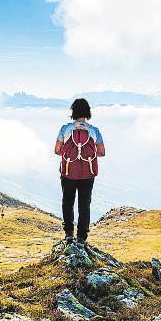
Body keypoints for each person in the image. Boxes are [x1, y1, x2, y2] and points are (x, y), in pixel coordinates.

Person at [55, 98, 105, 246]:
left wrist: (71, 154)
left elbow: (57, 150)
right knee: (84, 204)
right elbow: (101, 152)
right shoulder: (94, 131)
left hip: (68, 172)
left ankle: (69, 234)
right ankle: (82, 237)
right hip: (87, 174)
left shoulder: (65, 129)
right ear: (88, 113)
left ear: (73, 112)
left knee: (67, 202)